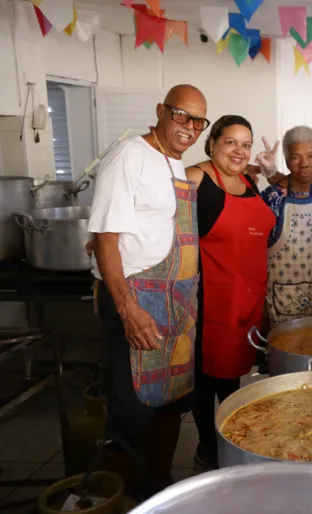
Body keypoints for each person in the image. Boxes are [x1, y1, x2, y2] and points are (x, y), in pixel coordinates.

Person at [88, 85, 208, 499]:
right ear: (160, 111)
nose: (189, 128)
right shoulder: (129, 156)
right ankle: (114, 500)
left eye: (197, 121)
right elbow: (105, 238)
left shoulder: (175, 164)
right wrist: (127, 309)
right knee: (131, 412)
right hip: (137, 298)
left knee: (173, 402)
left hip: (177, 304)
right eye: (181, 116)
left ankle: (158, 489)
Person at [184, 116, 274, 470]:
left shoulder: (248, 180)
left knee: (233, 374)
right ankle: (210, 446)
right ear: (212, 144)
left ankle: (235, 440)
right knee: (211, 377)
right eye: (230, 142)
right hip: (214, 298)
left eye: (245, 143)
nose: (239, 150)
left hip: (248, 297)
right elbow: (157, 213)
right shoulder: (196, 178)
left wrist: (269, 170)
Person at [257, 127, 312, 325]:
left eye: (311, 156)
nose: (305, 164)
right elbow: (255, 250)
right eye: (296, 157)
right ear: (287, 161)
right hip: (278, 298)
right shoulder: (271, 198)